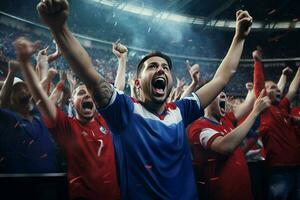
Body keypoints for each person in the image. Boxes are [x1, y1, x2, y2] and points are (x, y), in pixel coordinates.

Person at [36, 0, 252, 198]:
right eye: (152, 66)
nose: (161, 69)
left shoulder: (181, 110)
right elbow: (89, 75)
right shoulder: (124, 111)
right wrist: (59, 28)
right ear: (138, 83)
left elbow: (222, 78)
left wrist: (239, 37)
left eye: (166, 68)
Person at [14, 37, 120, 200]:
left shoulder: (104, 121)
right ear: (72, 101)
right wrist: (25, 62)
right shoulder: (66, 126)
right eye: (80, 93)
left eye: (90, 93)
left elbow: (117, 91)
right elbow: (39, 96)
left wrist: (122, 60)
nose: (87, 95)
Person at [188, 88, 270, 200]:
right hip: (222, 194)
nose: (224, 96)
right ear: (206, 100)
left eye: (224, 94)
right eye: (217, 93)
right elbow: (226, 146)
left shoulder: (226, 119)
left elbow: (248, 103)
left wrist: (252, 88)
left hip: (243, 192)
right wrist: (255, 112)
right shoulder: (198, 128)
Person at [253, 49, 300, 200]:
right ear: (264, 93)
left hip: (297, 167)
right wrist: (258, 62)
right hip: (278, 170)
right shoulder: (266, 109)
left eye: (278, 88)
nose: (277, 89)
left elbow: (292, 89)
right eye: (272, 88)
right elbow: (259, 85)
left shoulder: (283, 108)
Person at [0, 58, 57, 173]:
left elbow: (40, 91)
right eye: (16, 90)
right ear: (10, 98)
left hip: (51, 181)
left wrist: (44, 64)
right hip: (22, 185)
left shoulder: (37, 114)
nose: (22, 91)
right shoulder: (8, 118)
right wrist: (11, 72)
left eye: (24, 88)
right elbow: (3, 103)